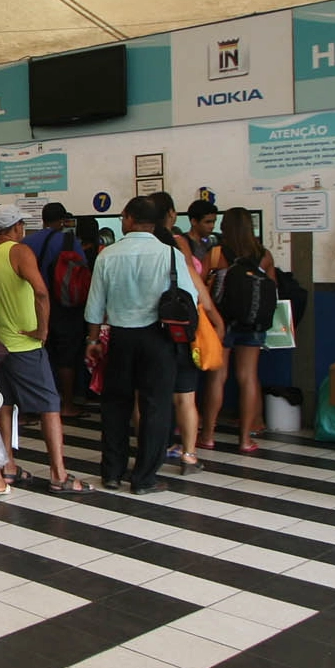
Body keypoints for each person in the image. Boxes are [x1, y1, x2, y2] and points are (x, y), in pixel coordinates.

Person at [85, 196, 199, 494]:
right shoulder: (170, 255)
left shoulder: (107, 255)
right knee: (155, 407)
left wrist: (93, 340)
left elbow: (94, 306)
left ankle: (112, 473)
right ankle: (145, 477)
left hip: (120, 338)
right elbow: (191, 298)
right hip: (159, 339)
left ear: (130, 218)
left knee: (115, 406)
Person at [0, 207, 91, 494]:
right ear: (16, 227)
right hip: (23, 344)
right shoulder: (19, 252)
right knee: (49, 406)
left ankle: (9, 466)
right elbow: (41, 291)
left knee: (3, 404)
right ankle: (58, 474)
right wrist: (42, 330)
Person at [150, 193, 222, 475]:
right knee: (185, 397)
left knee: (151, 398)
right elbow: (202, 298)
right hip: (182, 335)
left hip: (152, 336)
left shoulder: (142, 261)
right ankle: (189, 455)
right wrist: (216, 324)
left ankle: (154, 450)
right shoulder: (182, 260)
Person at [199, 207, 274, 453]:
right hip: (253, 323)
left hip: (223, 321)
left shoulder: (218, 253)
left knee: (217, 377)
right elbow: (273, 289)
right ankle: (245, 439)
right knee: (248, 376)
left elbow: (204, 287)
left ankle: (208, 435)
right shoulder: (264, 255)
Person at [19, 203, 86, 418]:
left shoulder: (26, 243)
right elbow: (81, 272)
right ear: (63, 220)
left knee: (41, 353)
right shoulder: (69, 241)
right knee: (66, 356)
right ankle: (66, 404)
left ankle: (37, 404)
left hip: (33, 305)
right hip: (63, 305)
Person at [184, 199, 220, 266]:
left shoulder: (213, 242)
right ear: (194, 221)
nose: (212, 226)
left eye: (214, 222)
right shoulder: (183, 243)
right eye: (207, 222)